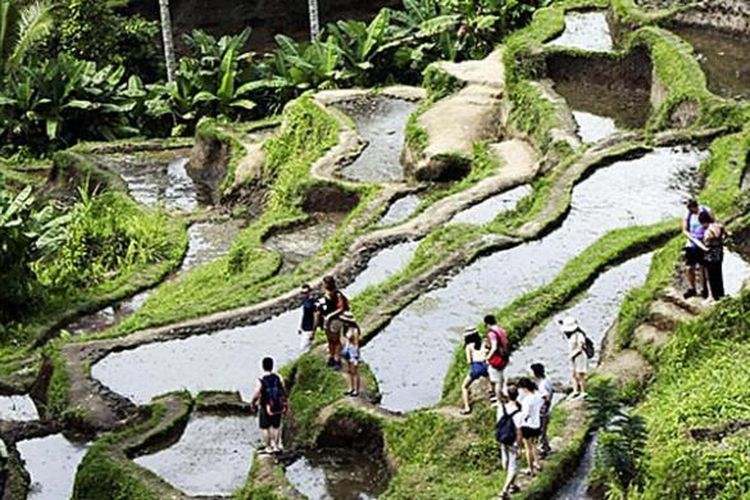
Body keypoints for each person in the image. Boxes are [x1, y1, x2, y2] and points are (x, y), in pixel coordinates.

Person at [250, 357, 287, 454]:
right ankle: (276, 446)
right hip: (277, 405)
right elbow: (283, 388)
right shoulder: (278, 377)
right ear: (272, 366)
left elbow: (257, 392)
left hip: (265, 405)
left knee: (265, 427)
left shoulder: (261, 379)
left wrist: (253, 402)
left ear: (262, 366)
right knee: (276, 426)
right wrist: (284, 400)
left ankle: (268, 447)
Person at [682, 199, 713, 299]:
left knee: (703, 267)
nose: (691, 211)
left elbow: (712, 224)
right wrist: (692, 238)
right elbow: (685, 230)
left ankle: (704, 289)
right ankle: (692, 288)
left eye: (692, 209)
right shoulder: (688, 215)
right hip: (692, 244)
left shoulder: (706, 210)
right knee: (690, 267)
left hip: (704, 242)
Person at [497, 385, 523, 498]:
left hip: (502, 438)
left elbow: (498, 423)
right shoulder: (518, 411)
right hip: (512, 441)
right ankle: (504, 490)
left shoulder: (501, 408)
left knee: (506, 461)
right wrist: (519, 447)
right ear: (517, 395)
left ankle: (512, 485)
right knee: (513, 467)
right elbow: (519, 431)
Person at [319, 276, 350, 370]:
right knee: (330, 339)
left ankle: (337, 359)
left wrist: (330, 316)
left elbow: (341, 308)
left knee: (336, 340)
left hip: (335, 319)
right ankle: (331, 357)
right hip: (327, 320)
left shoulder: (337, 294)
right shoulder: (326, 294)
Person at [517, 377, 544, 476]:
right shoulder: (537, 395)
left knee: (527, 448)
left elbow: (525, 414)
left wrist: (519, 422)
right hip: (536, 424)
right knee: (533, 445)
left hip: (527, 425)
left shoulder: (527, 400)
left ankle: (530, 469)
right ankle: (537, 463)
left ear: (524, 388)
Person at [460, 327, 489, 415]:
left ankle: (467, 407)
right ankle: (495, 400)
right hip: (485, 366)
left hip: (476, 366)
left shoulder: (469, 347)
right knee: (492, 383)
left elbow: (469, 361)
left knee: (464, 386)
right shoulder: (484, 342)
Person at [699, 211, 725, 301]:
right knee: (719, 276)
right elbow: (724, 236)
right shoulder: (719, 226)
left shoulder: (708, 231)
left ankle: (715, 298)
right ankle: (721, 295)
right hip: (719, 254)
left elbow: (706, 244)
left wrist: (702, 245)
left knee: (712, 278)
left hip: (710, 257)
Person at [560, 317, 588, 398]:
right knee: (573, 374)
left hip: (580, 356)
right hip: (573, 357)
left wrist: (572, 355)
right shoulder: (571, 336)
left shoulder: (580, 335)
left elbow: (580, 348)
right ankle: (575, 390)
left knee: (580, 374)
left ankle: (583, 391)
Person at [484, 315, 509, 404]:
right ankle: (502, 395)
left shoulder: (492, 333)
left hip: (497, 360)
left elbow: (494, 347)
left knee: (496, 382)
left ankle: (498, 401)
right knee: (501, 377)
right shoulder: (502, 330)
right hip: (504, 358)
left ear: (487, 324)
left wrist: (487, 358)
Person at [530, 363, 553, 457]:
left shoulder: (542, 384)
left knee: (541, 430)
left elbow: (546, 397)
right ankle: (546, 446)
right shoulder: (547, 379)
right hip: (546, 410)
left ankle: (543, 450)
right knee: (543, 430)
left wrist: (542, 407)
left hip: (542, 410)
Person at [340, 311, 362, 397]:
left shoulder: (354, 330)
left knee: (354, 371)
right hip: (347, 348)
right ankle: (351, 388)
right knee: (349, 370)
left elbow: (356, 343)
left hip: (353, 350)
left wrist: (356, 356)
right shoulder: (345, 329)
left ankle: (356, 389)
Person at [299, 284, 318, 352]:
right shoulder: (305, 301)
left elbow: (316, 317)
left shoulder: (313, 303)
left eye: (305, 293)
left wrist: (313, 331)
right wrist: (300, 326)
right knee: (306, 347)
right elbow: (304, 315)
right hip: (304, 327)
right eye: (302, 293)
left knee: (303, 348)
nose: (303, 295)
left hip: (309, 328)